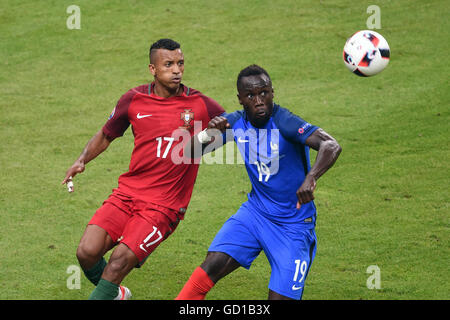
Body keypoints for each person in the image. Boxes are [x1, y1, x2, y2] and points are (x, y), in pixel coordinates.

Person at [62, 39, 226, 300]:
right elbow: (107, 134)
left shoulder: (199, 104)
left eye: (180, 63)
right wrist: (82, 160)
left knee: (117, 263)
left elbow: (230, 128)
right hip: (128, 193)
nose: (176, 70)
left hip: (164, 205)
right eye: (168, 64)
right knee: (87, 252)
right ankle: (117, 295)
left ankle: (108, 290)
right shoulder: (134, 99)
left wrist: (204, 142)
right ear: (153, 68)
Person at [176, 64, 342, 300]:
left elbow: (331, 145)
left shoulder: (285, 122)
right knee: (211, 265)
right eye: (251, 95)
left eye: (264, 92)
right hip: (255, 215)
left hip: (293, 225)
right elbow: (187, 151)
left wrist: (311, 177)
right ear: (241, 99)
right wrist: (208, 132)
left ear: (273, 92)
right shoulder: (234, 123)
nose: (259, 100)